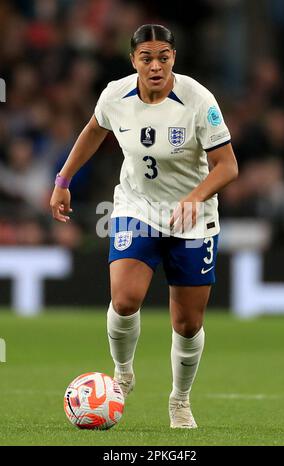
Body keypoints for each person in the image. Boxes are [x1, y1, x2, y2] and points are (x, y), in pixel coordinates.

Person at [50, 24, 238, 429]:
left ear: (174, 58)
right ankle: (122, 372)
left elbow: (228, 166)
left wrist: (195, 197)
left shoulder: (197, 99)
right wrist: (63, 181)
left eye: (164, 57)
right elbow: (93, 132)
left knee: (187, 324)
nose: (156, 66)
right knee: (125, 299)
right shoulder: (115, 96)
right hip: (137, 207)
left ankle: (180, 399)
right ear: (133, 60)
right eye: (147, 58)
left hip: (193, 217)